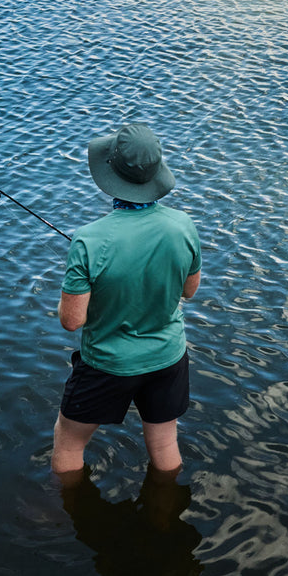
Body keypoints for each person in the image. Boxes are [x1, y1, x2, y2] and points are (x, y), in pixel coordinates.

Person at [52, 122, 202, 480]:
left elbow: (72, 320)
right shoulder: (183, 226)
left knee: (69, 443)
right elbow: (189, 291)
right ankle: (166, 515)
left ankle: (64, 514)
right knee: (165, 444)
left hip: (107, 364)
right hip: (167, 357)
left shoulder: (88, 240)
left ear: (110, 174)